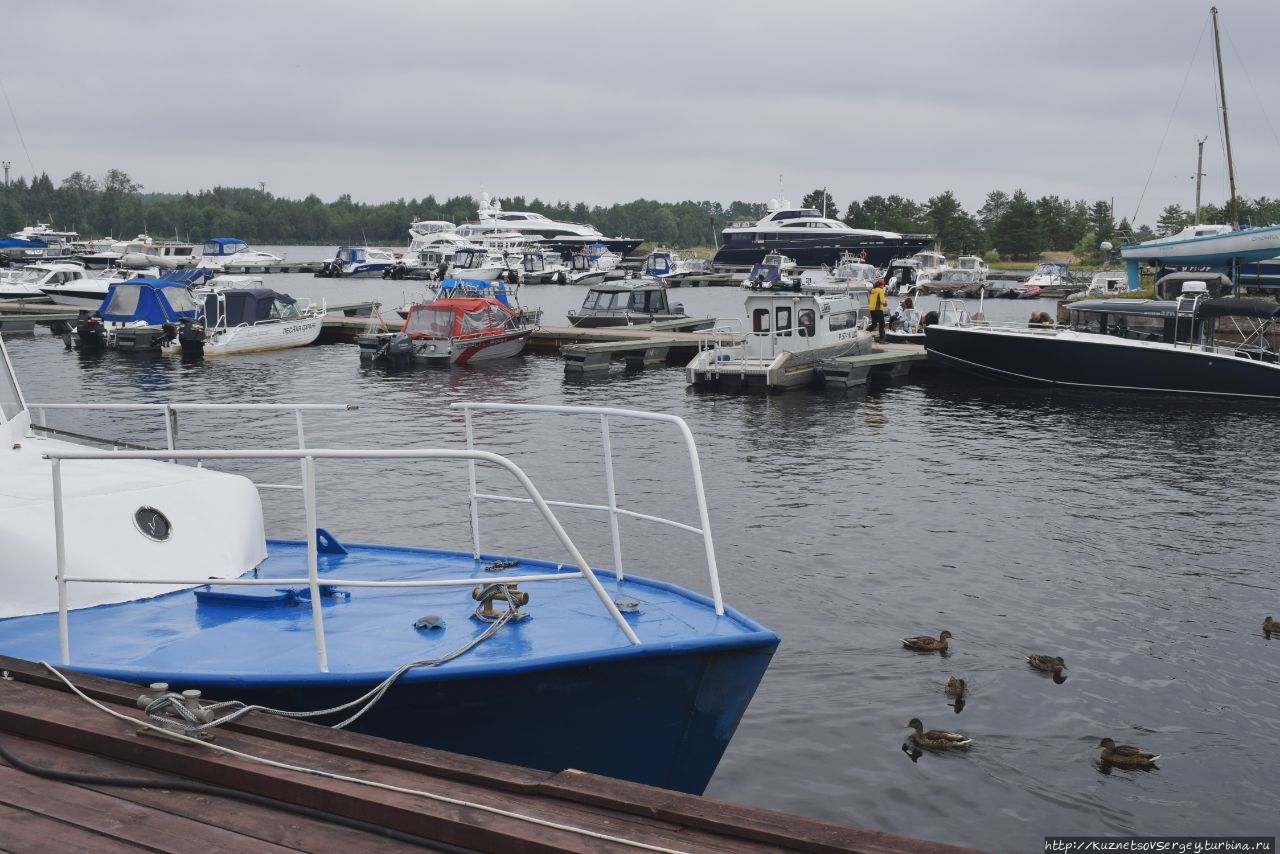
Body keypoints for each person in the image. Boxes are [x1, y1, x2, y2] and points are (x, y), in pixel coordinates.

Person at [869, 277, 887, 342]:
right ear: (881, 285)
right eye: (883, 285)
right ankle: (882, 339)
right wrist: (885, 303)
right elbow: (882, 301)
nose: (883, 286)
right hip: (878, 309)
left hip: (872, 309)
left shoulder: (872, 290)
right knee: (882, 324)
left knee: (874, 324)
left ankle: (864, 333)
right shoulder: (880, 290)